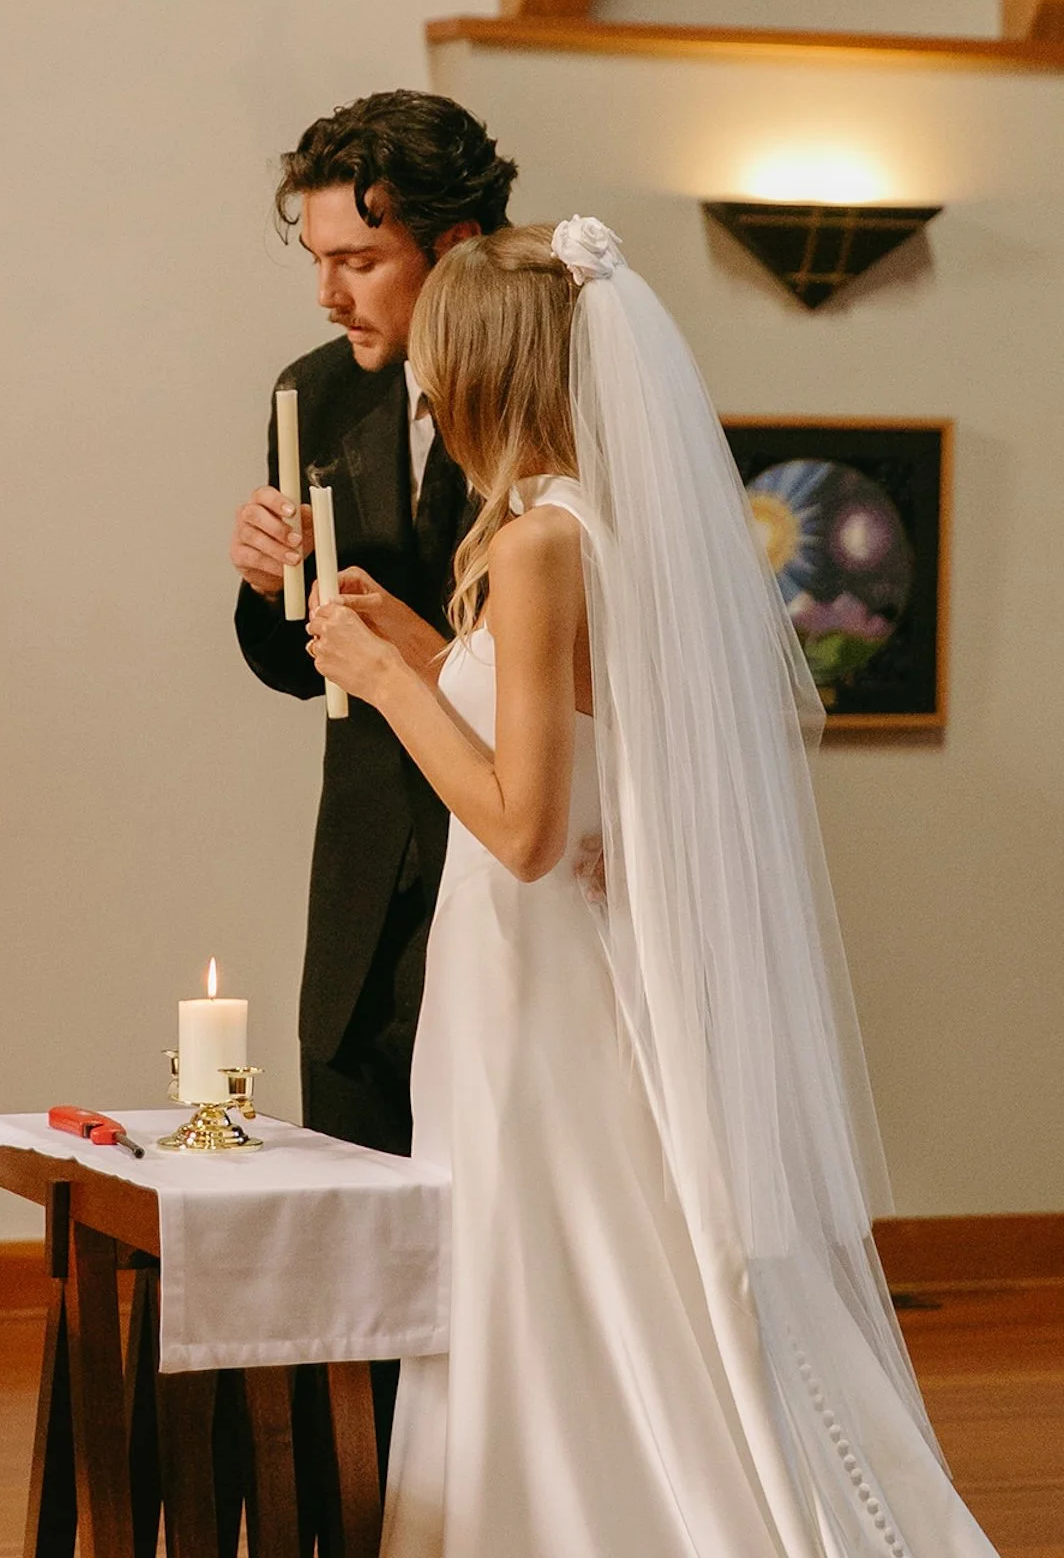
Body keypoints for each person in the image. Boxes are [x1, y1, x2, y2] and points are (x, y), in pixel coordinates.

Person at [307, 219, 999, 1557]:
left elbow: (522, 823)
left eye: (440, 365)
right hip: (536, 970)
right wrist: (423, 645)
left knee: (556, 1269)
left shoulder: (535, 547)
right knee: (581, 1266)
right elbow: (568, 743)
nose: (426, 392)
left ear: (486, 373)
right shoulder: (577, 529)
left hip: (538, 982)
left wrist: (393, 685)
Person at [231, 89, 518, 1158]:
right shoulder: (312, 394)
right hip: (363, 876)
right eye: (315, 260)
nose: (325, 294)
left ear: (454, 244)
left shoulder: (554, 396)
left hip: (506, 849)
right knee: (353, 1217)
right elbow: (301, 671)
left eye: (355, 260)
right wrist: (267, 589)